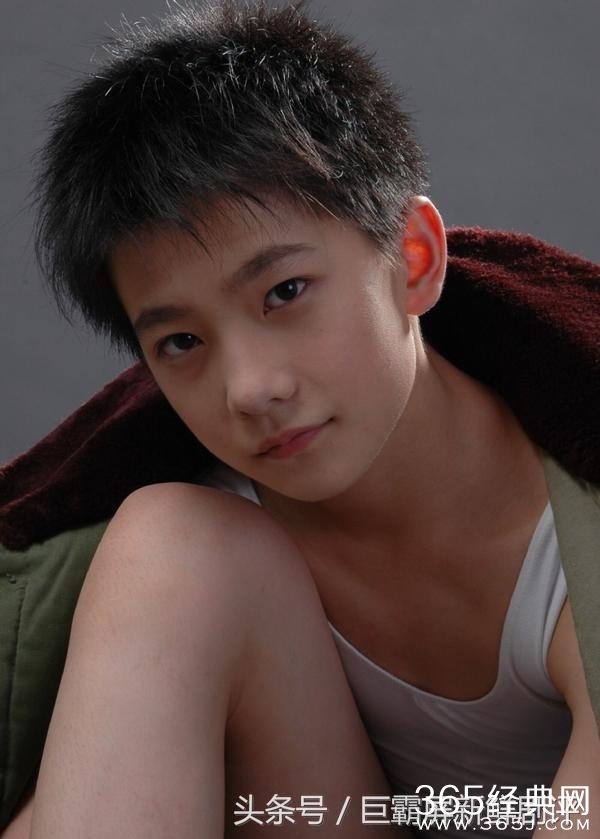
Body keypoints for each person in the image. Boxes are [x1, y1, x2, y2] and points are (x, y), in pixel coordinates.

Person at [1, 1, 599, 836]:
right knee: (175, 544)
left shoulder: (570, 526)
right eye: (181, 342)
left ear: (414, 259)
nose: (249, 388)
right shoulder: (195, 545)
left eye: (285, 291)